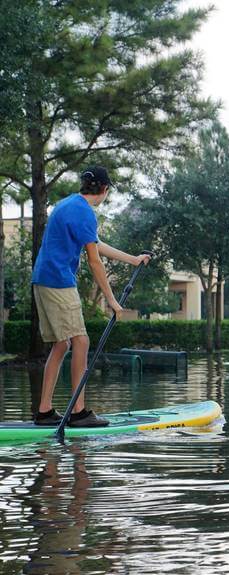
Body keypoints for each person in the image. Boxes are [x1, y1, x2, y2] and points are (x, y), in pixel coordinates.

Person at [31, 166, 150, 427]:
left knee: (62, 345)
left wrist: (133, 259)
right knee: (81, 341)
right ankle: (79, 412)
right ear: (105, 190)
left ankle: (44, 411)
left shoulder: (68, 204)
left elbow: (94, 244)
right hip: (59, 282)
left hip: (42, 279)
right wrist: (113, 301)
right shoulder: (84, 213)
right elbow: (95, 261)